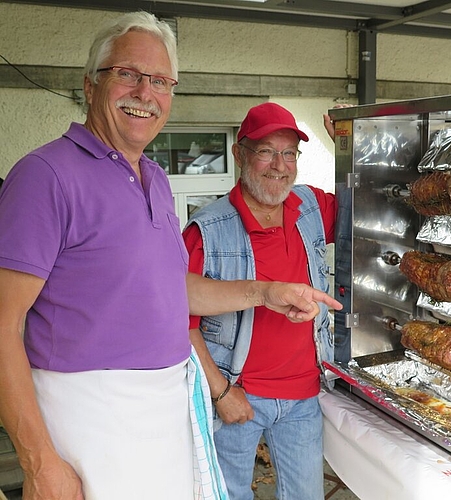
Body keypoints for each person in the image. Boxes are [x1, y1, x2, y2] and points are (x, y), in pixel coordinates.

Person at [0, 13, 341, 500]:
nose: (145, 93)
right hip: (87, 420)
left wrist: (266, 292)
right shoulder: (43, 176)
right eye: (128, 74)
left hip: (164, 412)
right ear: (89, 84)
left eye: (161, 81)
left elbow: (173, 288)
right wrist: (38, 463)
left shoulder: (156, 181)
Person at [183, 102, 337, 500]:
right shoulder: (207, 229)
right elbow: (180, 320)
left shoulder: (311, 208)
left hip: (303, 396)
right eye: (267, 151)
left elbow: (372, 208)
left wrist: (353, 147)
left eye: (289, 153)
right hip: (238, 394)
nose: (279, 165)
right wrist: (219, 392)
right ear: (240, 153)